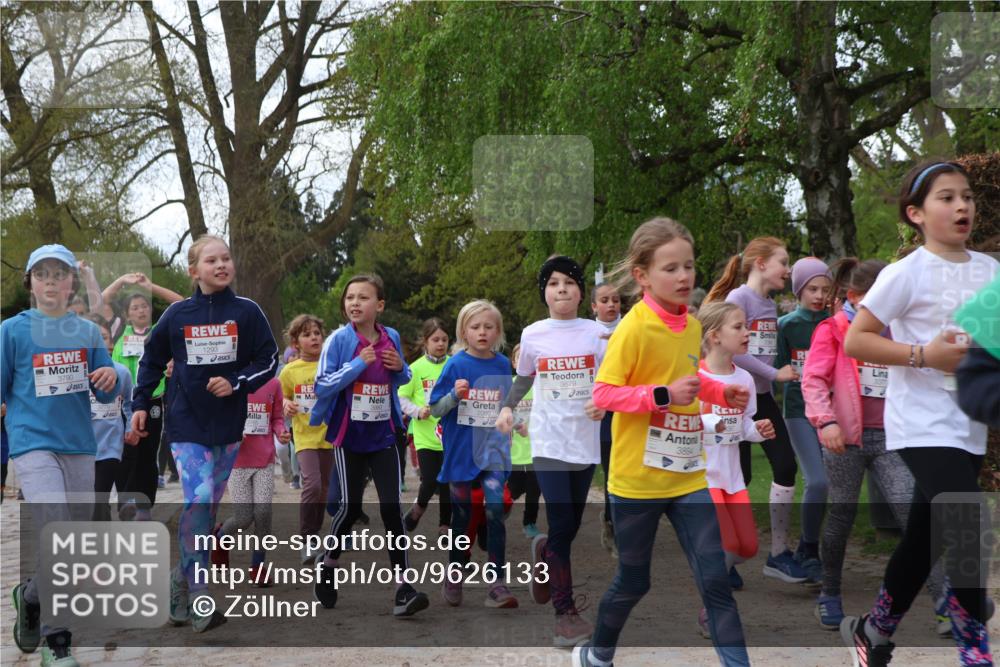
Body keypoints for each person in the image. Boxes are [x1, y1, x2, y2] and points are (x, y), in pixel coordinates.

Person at [574, 217, 752, 667]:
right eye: (670, 268)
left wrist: (717, 391)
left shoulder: (692, 325)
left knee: (714, 579)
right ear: (642, 276)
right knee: (634, 581)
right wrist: (661, 396)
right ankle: (597, 655)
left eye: (688, 266)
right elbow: (604, 394)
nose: (684, 277)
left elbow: (687, 381)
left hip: (689, 474)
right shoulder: (634, 329)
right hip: (637, 481)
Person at [841, 160, 999, 667]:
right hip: (920, 424)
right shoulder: (905, 273)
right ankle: (975, 651)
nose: (962, 206)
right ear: (916, 213)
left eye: (967, 197)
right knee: (969, 523)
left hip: (967, 422)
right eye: (947, 197)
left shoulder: (990, 271)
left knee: (923, 540)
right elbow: (855, 339)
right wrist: (921, 355)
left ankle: (874, 629)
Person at [131, 234, 278, 634]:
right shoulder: (178, 315)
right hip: (186, 425)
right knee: (196, 501)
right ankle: (200, 596)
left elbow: (270, 359)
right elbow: (151, 359)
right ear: (194, 271)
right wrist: (141, 403)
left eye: (226, 258)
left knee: (207, 510)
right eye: (211, 260)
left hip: (229, 426)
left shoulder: (247, 312)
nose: (221, 265)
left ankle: (178, 583)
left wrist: (237, 381)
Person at [802, 257, 946, 633]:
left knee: (913, 516)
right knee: (841, 515)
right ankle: (829, 594)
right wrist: (826, 421)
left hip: (892, 436)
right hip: (843, 439)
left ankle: (946, 601)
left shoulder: (899, 329)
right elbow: (813, 381)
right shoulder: (831, 330)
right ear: (855, 297)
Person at [6, 244, 119, 667]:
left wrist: (109, 377)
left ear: (73, 281)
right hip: (32, 444)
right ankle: (59, 643)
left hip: (79, 445)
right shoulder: (12, 331)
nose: (51, 281)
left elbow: (105, 388)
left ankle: (31, 595)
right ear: (30, 283)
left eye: (59, 274)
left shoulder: (87, 332)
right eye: (42, 274)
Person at [497, 255, 607, 646]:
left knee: (569, 528)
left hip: (585, 440)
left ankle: (543, 554)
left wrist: (605, 402)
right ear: (544, 292)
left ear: (581, 292)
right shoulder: (533, 334)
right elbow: (523, 378)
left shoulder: (598, 334)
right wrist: (508, 407)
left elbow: (612, 381)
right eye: (553, 283)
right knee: (562, 523)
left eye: (569, 282)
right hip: (547, 439)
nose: (561, 289)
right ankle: (565, 613)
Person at [310, 275, 429, 618]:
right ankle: (329, 564)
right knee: (348, 509)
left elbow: (402, 378)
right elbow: (322, 385)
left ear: (379, 305)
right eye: (350, 297)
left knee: (392, 508)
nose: (355, 303)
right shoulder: (338, 341)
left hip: (385, 434)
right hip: (350, 437)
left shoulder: (390, 336)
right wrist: (357, 364)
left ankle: (403, 588)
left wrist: (401, 368)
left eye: (363, 297)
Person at [705, 236, 807, 584]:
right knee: (740, 477)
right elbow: (738, 353)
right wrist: (774, 373)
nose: (788, 269)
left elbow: (762, 350)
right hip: (732, 395)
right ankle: (725, 560)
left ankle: (778, 553)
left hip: (759, 396)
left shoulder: (768, 303)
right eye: (783, 261)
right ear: (761, 263)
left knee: (785, 465)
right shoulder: (739, 299)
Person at [430, 299, 518, 610]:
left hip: (493, 453)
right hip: (460, 453)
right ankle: (455, 571)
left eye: (489, 327)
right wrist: (455, 395)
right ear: (464, 332)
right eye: (476, 327)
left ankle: (497, 582)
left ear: (498, 332)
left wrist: (513, 422)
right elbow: (435, 409)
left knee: (495, 511)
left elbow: (507, 407)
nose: (482, 332)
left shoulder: (503, 364)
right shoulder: (455, 364)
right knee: (463, 517)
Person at [696, 301, 774, 603]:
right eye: (738, 327)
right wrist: (712, 421)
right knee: (727, 543)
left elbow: (743, 427)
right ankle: (709, 602)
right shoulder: (694, 376)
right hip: (704, 476)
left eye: (747, 326)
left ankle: (709, 568)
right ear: (715, 336)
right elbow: (682, 422)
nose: (747, 332)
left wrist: (759, 430)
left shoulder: (744, 379)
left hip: (733, 477)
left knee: (748, 548)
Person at [774, 256, 831, 585]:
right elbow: (775, 373)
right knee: (818, 481)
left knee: (835, 487)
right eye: (812, 289)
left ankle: (817, 549)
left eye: (825, 289)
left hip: (833, 415)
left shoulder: (836, 324)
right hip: (797, 413)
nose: (819, 295)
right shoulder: (786, 326)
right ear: (799, 290)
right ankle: (809, 549)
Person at [215, 375, 289, 585]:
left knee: (264, 512)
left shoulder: (273, 383)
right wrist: (231, 430)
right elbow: (218, 414)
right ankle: (220, 537)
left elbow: (276, 418)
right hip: (236, 460)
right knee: (243, 518)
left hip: (264, 458)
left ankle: (258, 566)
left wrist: (281, 432)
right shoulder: (231, 380)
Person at [112, 292, 169, 517]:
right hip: (127, 401)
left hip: (153, 399)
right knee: (128, 452)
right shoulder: (120, 336)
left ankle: (145, 505)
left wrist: (151, 285)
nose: (141, 310)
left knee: (148, 452)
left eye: (144, 306)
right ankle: (126, 502)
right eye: (135, 307)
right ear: (127, 314)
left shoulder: (160, 332)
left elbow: (180, 301)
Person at [279, 314, 330, 565]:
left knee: (324, 490)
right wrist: (287, 404)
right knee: (312, 485)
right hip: (305, 436)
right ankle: (307, 539)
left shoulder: (331, 364)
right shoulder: (289, 371)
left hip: (331, 436)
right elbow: (281, 399)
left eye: (317, 333)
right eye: (307, 334)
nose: (314, 338)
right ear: (296, 342)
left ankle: (315, 533)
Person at [400, 317, 452, 535]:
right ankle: (418, 509)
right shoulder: (415, 368)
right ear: (425, 342)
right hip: (425, 435)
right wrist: (417, 411)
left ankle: (445, 525)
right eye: (435, 339)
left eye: (444, 339)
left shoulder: (454, 364)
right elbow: (401, 397)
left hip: (450, 434)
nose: (440, 344)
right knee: (430, 480)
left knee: (449, 482)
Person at [87, 313, 138, 522]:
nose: (100, 342)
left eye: (105, 338)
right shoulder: (76, 372)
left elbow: (128, 403)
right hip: (81, 447)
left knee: (100, 497)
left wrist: (129, 428)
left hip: (110, 446)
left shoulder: (122, 372)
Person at [591, 281, 621, 556]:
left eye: (615, 299)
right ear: (594, 306)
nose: (611, 304)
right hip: (601, 410)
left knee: (628, 469)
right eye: (605, 300)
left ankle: (623, 525)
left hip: (629, 407)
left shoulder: (631, 327)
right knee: (612, 470)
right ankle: (611, 523)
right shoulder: (587, 334)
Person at [505, 344, 541, 539]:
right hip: (514, 452)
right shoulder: (508, 386)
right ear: (514, 362)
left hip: (536, 450)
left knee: (534, 491)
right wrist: (517, 425)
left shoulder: (541, 387)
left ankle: (530, 523)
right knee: (513, 490)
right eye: (521, 358)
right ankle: (502, 509)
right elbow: (501, 412)